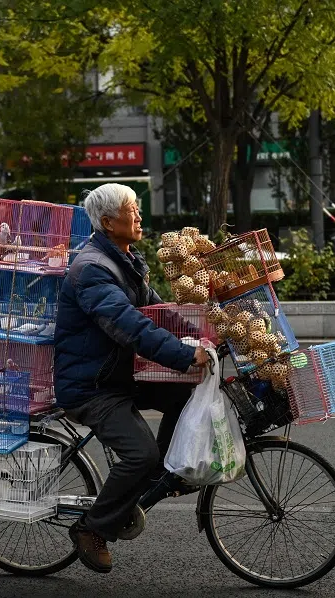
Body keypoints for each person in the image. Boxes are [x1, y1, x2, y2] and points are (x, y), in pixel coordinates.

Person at [53, 183, 209, 574]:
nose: (139, 215)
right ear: (108, 222)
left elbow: (156, 310)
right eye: (132, 209)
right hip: (92, 385)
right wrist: (183, 354)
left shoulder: (126, 260)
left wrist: (203, 332)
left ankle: (155, 477)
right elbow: (132, 327)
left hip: (120, 375)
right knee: (141, 453)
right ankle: (92, 528)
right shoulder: (92, 270)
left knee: (187, 394)